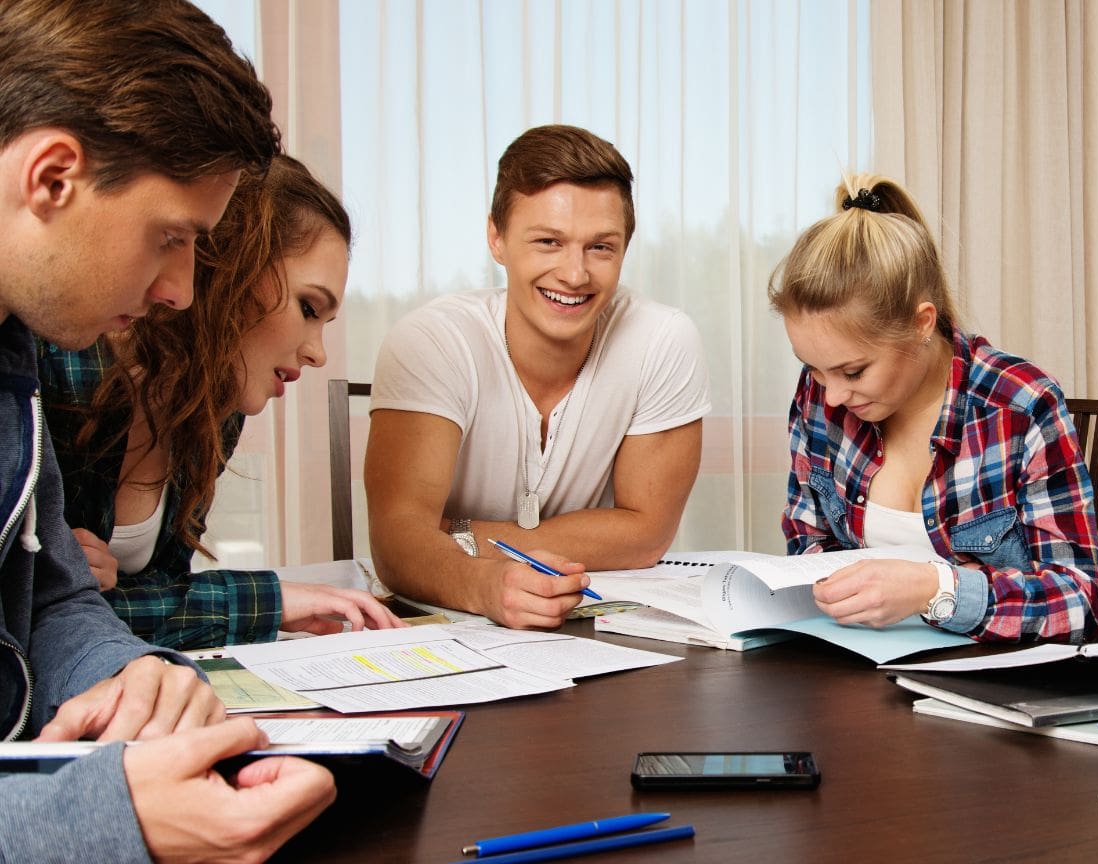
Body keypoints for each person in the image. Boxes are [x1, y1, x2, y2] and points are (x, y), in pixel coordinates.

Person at [0, 1, 336, 861]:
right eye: (170, 238)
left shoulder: (15, 365)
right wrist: (98, 819)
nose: (182, 292)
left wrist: (131, 673)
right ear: (52, 177)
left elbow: (54, 601)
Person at [40, 154, 405, 651]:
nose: (317, 353)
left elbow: (146, 597)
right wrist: (267, 600)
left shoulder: (213, 409)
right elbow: (41, 614)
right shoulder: (57, 366)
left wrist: (270, 601)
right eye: (308, 308)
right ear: (225, 269)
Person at [367, 124, 711, 629]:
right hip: (446, 625)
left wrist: (456, 535)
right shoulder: (433, 340)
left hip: (584, 627)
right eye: (548, 241)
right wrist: (485, 585)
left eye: (601, 247)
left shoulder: (662, 338)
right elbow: (397, 544)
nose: (574, 274)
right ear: (496, 238)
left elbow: (647, 535)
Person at [769, 174, 1098, 643]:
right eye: (814, 368)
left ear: (921, 324)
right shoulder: (819, 393)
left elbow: (1080, 603)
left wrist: (935, 588)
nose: (831, 397)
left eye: (853, 371)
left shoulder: (1020, 406)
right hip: (857, 678)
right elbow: (808, 543)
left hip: (986, 687)